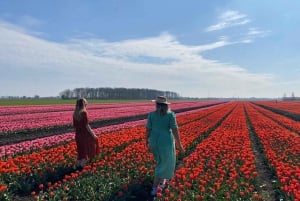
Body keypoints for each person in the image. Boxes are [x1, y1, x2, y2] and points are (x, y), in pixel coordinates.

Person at [146, 96, 184, 196]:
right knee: (164, 163)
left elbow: (148, 129)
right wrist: (179, 144)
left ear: (156, 104)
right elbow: (174, 129)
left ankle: (162, 182)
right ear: (166, 105)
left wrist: (147, 140)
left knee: (160, 162)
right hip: (166, 142)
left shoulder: (151, 115)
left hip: (154, 142)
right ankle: (154, 188)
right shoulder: (170, 115)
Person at [73, 97, 99, 168]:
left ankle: (75, 169)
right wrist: (93, 135)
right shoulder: (84, 113)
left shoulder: (75, 114)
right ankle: (80, 170)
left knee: (80, 153)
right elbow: (86, 125)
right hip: (85, 135)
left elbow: (75, 126)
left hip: (78, 135)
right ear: (84, 104)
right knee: (86, 153)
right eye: (86, 103)